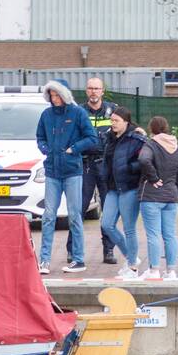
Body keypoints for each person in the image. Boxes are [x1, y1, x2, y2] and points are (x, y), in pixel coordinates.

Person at [35, 80, 98, 274]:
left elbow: (92, 138)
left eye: (57, 95)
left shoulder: (78, 113)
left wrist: (73, 149)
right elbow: (40, 137)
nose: (54, 99)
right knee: (48, 216)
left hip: (72, 171)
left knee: (75, 216)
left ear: (64, 95)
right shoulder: (46, 115)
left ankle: (78, 260)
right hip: (53, 171)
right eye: (51, 96)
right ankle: (44, 260)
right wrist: (46, 150)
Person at [66, 76, 117, 265]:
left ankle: (109, 250)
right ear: (86, 91)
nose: (93, 92)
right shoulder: (78, 111)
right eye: (90, 88)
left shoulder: (113, 110)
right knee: (78, 209)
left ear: (103, 91)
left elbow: (123, 131)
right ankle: (73, 250)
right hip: (85, 164)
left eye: (97, 88)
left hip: (106, 164)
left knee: (109, 209)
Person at [101, 107, 146, 279]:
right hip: (112, 187)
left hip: (129, 188)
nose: (113, 124)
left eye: (116, 121)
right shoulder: (109, 138)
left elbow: (145, 159)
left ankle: (133, 267)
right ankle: (131, 257)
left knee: (129, 228)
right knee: (107, 224)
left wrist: (130, 168)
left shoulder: (136, 138)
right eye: (112, 120)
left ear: (126, 122)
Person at [138, 116, 178, 280]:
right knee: (170, 235)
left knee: (153, 235)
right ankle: (171, 271)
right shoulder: (176, 148)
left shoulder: (151, 145)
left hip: (152, 196)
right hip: (171, 197)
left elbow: (143, 159)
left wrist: (153, 178)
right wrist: (176, 194)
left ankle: (154, 270)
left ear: (152, 129)